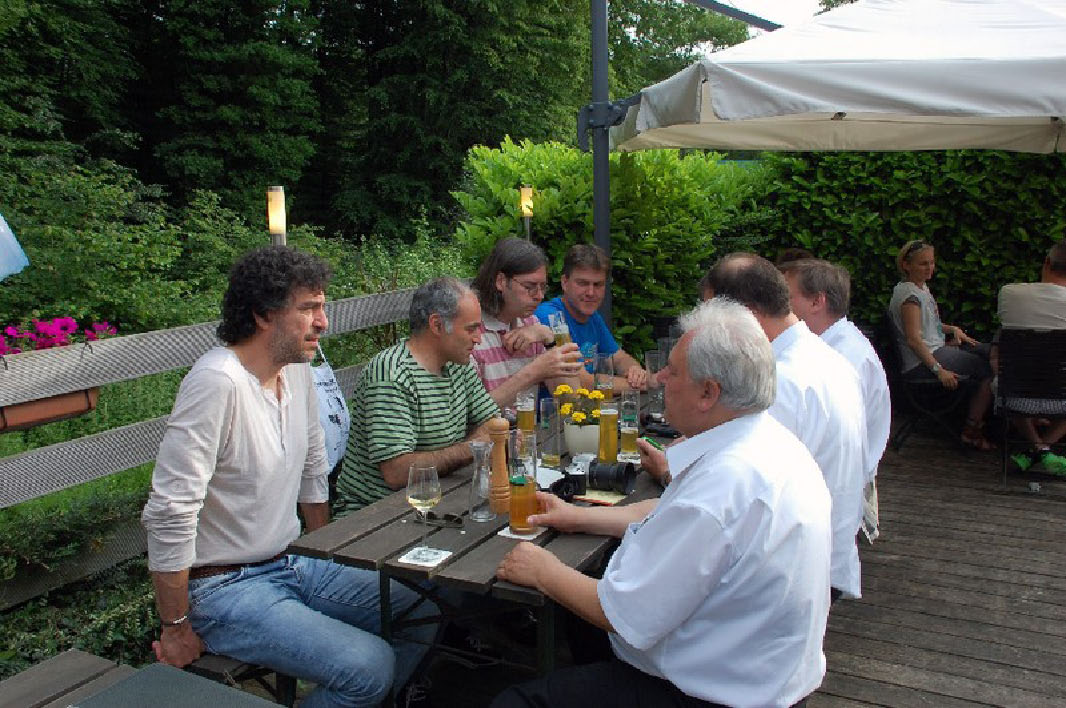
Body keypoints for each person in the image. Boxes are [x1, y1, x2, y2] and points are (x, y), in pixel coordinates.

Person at [491, 298, 831, 708]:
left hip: (712, 692)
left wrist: (543, 570)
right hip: (764, 668)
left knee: (515, 700)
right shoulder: (768, 442)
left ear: (708, 392)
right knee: (583, 613)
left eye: (673, 371)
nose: (662, 378)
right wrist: (577, 516)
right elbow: (674, 514)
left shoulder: (722, 485)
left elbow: (624, 616)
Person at [141, 246, 435, 708]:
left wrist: (326, 554)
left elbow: (314, 468)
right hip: (223, 588)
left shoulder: (296, 371)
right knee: (370, 666)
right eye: (309, 308)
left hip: (293, 562)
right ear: (263, 314)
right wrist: (175, 627)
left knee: (422, 609)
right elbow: (169, 512)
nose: (324, 322)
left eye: (323, 307)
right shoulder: (217, 383)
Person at [697, 253, 865, 602]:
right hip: (826, 551)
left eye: (713, 318)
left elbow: (739, 488)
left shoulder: (781, 379)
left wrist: (672, 467)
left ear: (746, 313)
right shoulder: (824, 356)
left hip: (792, 570)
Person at [334, 277, 500, 513]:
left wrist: (480, 441)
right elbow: (397, 473)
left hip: (433, 503)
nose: (479, 338)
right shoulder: (391, 374)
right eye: (471, 329)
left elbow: (493, 424)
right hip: (375, 515)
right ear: (437, 325)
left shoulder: (458, 364)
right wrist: (472, 448)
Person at [781, 258, 891, 541]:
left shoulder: (845, 355)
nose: (779, 306)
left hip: (834, 492)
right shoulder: (828, 344)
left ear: (817, 302)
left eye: (787, 297)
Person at [887, 239, 995, 450]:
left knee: (990, 351)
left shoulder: (919, 288)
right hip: (923, 362)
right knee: (987, 369)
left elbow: (928, 324)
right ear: (906, 265)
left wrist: (952, 329)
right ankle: (971, 430)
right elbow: (913, 340)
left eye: (931, 262)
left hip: (935, 350)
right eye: (923, 264)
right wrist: (940, 371)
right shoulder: (910, 297)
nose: (929, 268)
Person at [470, 237, 583, 406]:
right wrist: (534, 372)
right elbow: (471, 414)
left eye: (543, 287)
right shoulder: (470, 330)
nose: (539, 296)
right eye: (529, 287)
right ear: (501, 281)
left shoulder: (531, 324)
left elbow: (572, 399)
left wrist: (550, 339)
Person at [534, 243, 648, 391]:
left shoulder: (592, 316)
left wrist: (635, 371)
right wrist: (638, 385)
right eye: (583, 283)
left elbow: (619, 358)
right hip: (556, 405)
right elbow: (581, 381)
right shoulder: (550, 316)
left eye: (598, 284)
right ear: (564, 282)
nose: (591, 292)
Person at [996, 239, 1066, 473]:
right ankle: (1043, 448)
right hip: (1062, 398)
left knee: (1004, 379)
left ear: (1047, 263)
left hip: (1013, 395)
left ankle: (1036, 448)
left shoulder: (1010, 293)